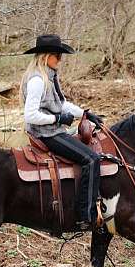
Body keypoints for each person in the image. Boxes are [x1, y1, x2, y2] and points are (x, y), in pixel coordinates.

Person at [20, 34, 103, 231]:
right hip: (47, 134)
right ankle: (85, 214)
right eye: (58, 55)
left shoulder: (49, 75)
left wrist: (85, 113)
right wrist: (57, 119)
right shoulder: (38, 80)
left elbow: (61, 103)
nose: (60, 59)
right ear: (47, 56)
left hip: (53, 129)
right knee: (91, 159)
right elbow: (30, 115)